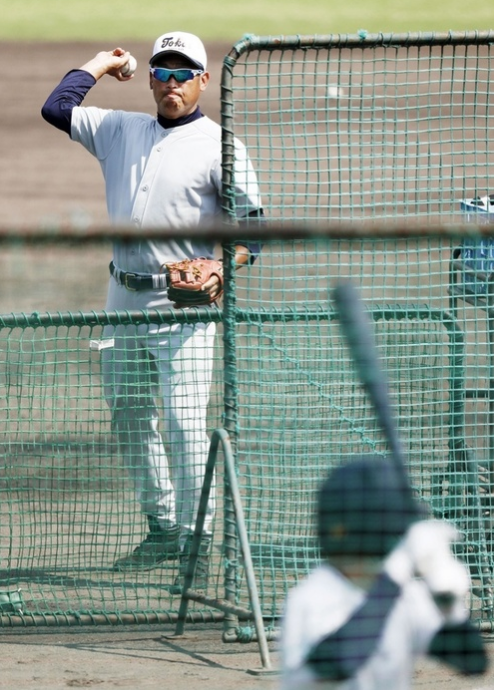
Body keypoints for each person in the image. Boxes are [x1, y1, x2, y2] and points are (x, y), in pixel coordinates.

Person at [41, 32, 264, 587]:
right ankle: (163, 527)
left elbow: (254, 231)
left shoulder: (221, 145)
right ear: (149, 79)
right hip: (122, 297)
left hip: (182, 306)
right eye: (162, 72)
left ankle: (197, 537)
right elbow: (56, 108)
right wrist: (100, 62)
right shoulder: (120, 129)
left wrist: (221, 266)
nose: (171, 83)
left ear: (203, 81)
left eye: (183, 73)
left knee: (186, 425)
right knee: (131, 417)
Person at [280, 455, 488, 689]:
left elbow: (472, 662)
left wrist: (450, 605)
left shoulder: (404, 595)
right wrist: (398, 568)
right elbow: (338, 663)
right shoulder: (311, 597)